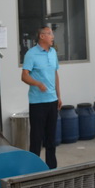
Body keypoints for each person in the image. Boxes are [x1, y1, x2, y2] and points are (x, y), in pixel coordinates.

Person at [21, 26, 62, 168]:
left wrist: (59, 96)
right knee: (36, 138)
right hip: (37, 103)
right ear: (42, 36)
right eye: (50, 34)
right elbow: (24, 76)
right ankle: (34, 169)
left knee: (51, 138)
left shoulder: (53, 52)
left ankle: (52, 168)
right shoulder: (31, 54)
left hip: (52, 101)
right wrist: (37, 83)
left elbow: (55, 74)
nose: (53, 36)